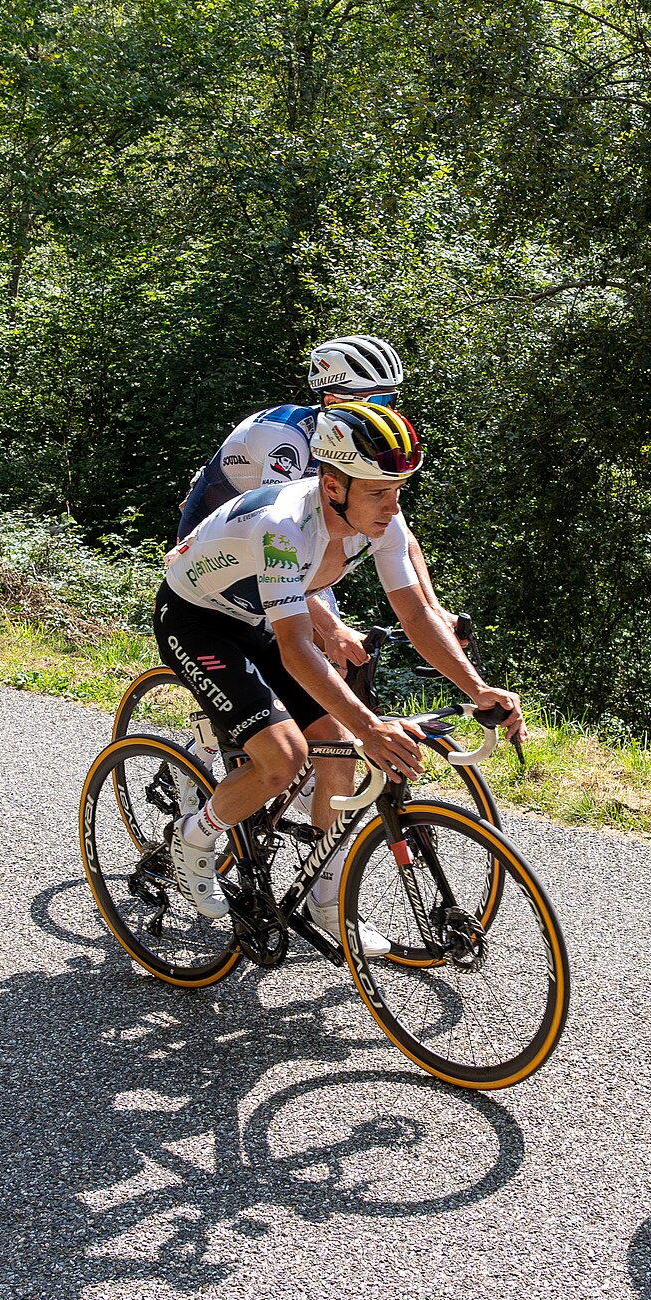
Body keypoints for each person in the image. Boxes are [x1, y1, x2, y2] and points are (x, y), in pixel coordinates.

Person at [151, 400, 523, 953]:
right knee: (285, 758)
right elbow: (300, 649)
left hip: (254, 617)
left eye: (396, 491)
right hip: (196, 620)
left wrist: (478, 688)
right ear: (332, 486)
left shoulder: (381, 518)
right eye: (376, 491)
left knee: (337, 750)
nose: (390, 506)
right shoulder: (283, 527)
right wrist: (373, 726)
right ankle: (195, 838)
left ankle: (327, 898)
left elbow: (417, 614)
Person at [175, 335, 416, 676]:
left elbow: (401, 537)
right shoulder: (286, 437)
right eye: (374, 399)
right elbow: (276, 534)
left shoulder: (353, 444)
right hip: (222, 539)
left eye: (389, 398)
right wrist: (330, 629)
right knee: (305, 638)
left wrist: (434, 612)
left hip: (283, 537)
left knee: (338, 652)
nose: (384, 410)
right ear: (331, 399)